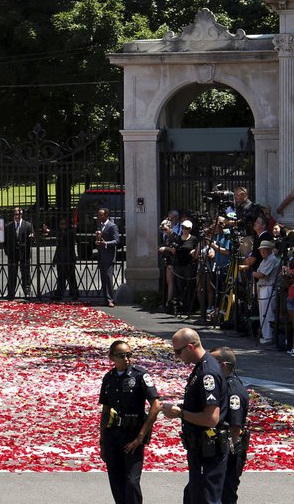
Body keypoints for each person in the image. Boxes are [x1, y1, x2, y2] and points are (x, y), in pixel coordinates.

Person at [161, 328, 229, 504]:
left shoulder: (207, 372)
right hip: (200, 449)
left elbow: (211, 419)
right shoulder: (202, 368)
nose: (177, 356)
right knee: (193, 496)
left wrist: (180, 413)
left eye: (178, 351)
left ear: (190, 347)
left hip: (207, 450)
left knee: (205, 498)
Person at [98, 340, 161, 504]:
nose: (126, 359)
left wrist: (141, 437)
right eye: (121, 356)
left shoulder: (140, 375)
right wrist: (102, 442)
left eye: (129, 355)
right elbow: (105, 411)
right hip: (113, 435)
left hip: (132, 436)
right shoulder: (109, 378)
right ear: (111, 357)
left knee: (132, 482)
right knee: (116, 480)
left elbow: (155, 405)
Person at [211, 347, 249, 504]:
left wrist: (229, 453)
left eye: (213, 362)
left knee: (225, 493)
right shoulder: (224, 384)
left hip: (229, 449)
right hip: (222, 446)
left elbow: (235, 426)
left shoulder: (232, 390)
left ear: (223, 365)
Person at [251, 240, 280, 346]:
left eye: (264, 249)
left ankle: (269, 336)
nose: (262, 251)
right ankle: (265, 334)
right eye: (261, 250)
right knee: (263, 313)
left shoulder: (272, 259)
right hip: (262, 287)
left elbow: (262, 274)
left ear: (269, 249)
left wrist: (254, 273)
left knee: (268, 313)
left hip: (268, 288)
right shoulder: (265, 260)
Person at [42, 218, 78, 301]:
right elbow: (59, 247)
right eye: (60, 224)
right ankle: (59, 294)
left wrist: (49, 231)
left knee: (71, 277)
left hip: (69, 258)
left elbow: (64, 236)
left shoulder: (71, 232)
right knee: (61, 277)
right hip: (61, 258)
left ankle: (74, 293)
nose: (62, 226)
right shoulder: (61, 233)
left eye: (64, 224)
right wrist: (55, 259)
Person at [3, 207, 34, 300]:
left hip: (24, 253)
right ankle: (11, 293)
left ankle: (27, 292)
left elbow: (32, 236)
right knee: (12, 273)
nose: (18, 216)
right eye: (16, 214)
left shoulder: (28, 225)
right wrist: (7, 252)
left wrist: (32, 237)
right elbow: (5, 241)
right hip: (12, 253)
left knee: (25, 273)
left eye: (20, 214)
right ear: (13, 215)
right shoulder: (8, 226)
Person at [96, 208, 121, 307]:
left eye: (100, 215)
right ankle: (105, 299)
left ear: (106, 215)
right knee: (103, 278)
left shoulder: (112, 226)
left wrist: (105, 243)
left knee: (108, 277)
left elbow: (116, 241)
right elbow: (101, 238)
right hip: (101, 255)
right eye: (98, 215)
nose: (98, 217)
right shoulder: (100, 226)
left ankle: (110, 299)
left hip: (109, 256)